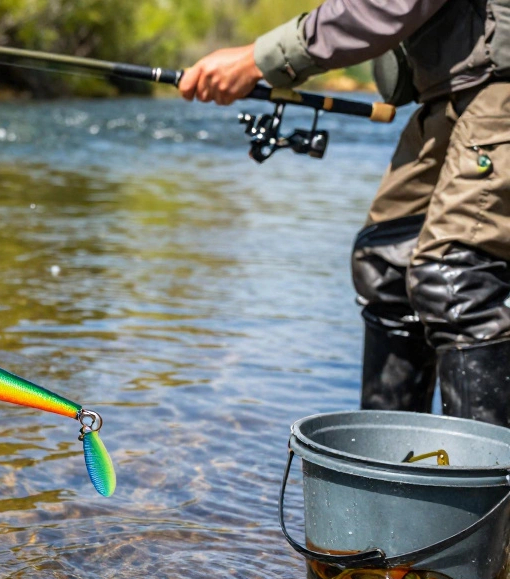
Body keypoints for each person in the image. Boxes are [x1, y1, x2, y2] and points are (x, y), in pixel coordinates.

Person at [178, 0, 510, 427]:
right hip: (449, 94)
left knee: (455, 276)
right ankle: (386, 460)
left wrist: (260, 59)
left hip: (496, 91)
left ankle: (487, 468)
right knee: (386, 262)